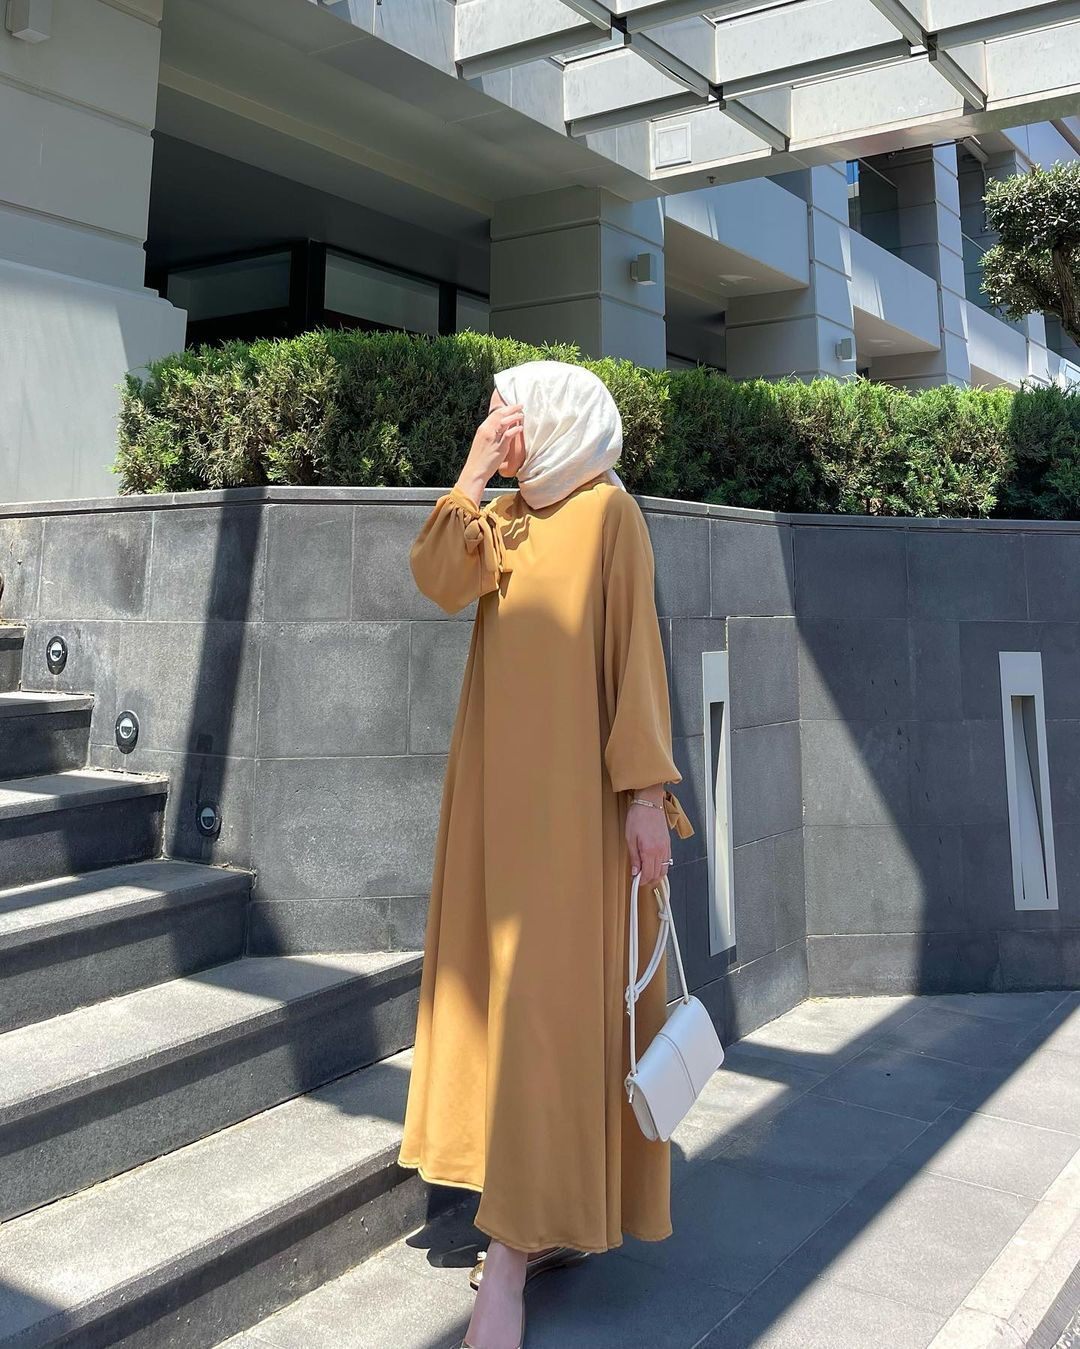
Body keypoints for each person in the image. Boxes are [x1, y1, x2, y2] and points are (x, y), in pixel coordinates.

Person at [397, 359, 694, 1349]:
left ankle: (511, 1264)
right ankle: (540, 1210)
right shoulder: (507, 519)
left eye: (505, 411)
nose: (496, 423)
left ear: (558, 418)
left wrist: (645, 798)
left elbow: (636, 659)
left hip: (575, 818)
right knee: (508, 1011)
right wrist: (473, 470)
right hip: (494, 808)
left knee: (543, 1018)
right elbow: (437, 577)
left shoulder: (610, 516)